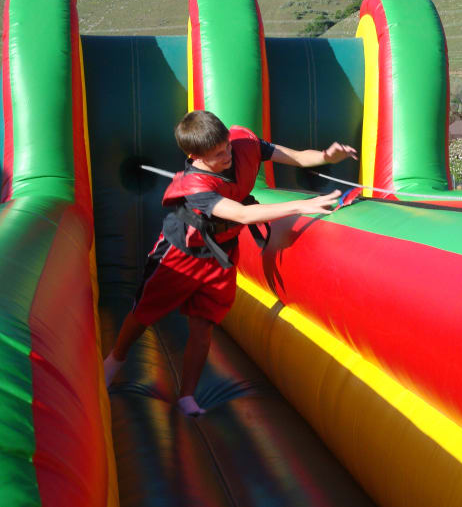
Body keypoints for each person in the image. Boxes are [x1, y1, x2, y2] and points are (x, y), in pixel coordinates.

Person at [103, 110, 357, 416]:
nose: (227, 156)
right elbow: (243, 214)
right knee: (143, 313)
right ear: (195, 157)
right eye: (218, 155)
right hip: (182, 253)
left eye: (227, 147)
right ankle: (115, 360)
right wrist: (302, 205)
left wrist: (327, 156)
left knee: (204, 326)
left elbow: (299, 158)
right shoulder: (195, 185)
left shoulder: (243, 143)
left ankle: (187, 396)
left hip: (222, 252)